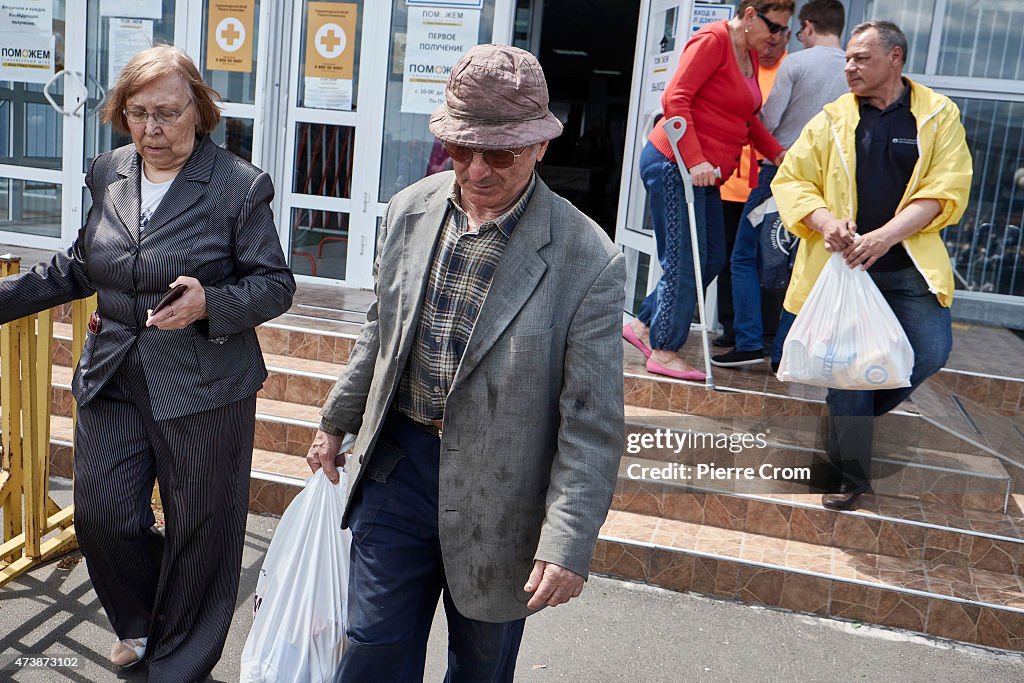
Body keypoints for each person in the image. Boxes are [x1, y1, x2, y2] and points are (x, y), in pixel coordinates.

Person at [305, 44, 625, 682]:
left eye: (499, 153)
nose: (476, 171)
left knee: (481, 666)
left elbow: (591, 424)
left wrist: (567, 542)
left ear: (539, 146)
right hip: (399, 468)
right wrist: (335, 419)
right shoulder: (410, 211)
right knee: (369, 653)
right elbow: (382, 330)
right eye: (460, 150)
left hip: (504, 494)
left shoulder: (589, 259)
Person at [0, 46, 296, 679]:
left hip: (205, 381)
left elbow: (274, 284)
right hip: (112, 370)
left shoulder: (239, 186)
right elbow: (81, 265)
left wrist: (209, 301)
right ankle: (144, 616)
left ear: (200, 110)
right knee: (102, 513)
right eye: (137, 113)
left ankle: (178, 660)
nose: (152, 130)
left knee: (201, 528)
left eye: (167, 112)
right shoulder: (109, 172)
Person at [772, 21, 972, 510]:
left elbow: (946, 188)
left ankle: (846, 423)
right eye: (847, 59)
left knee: (930, 351)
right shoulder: (833, 117)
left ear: (895, 57)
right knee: (847, 372)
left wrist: (886, 237)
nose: (849, 67)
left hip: (907, 265)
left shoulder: (936, 115)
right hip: (844, 268)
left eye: (860, 58)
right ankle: (850, 476)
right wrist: (824, 223)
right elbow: (794, 181)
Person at [623, 0, 792, 380]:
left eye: (784, 30)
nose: (778, 38)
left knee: (712, 256)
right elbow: (675, 98)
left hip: (705, 174)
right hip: (676, 165)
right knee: (684, 262)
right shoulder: (713, 40)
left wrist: (778, 154)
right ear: (750, 15)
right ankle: (664, 350)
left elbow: (746, 119)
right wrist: (695, 159)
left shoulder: (747, 54)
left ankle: (643, 324)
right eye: (775, 27)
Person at [714, 0, 849, 370]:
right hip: (831, 183)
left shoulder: (796, 64)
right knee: (801, 265)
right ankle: (784, 352)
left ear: (806, 27)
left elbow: (767, 122)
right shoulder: (853, 69)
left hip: (783, 174)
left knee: (743, 257)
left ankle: (748, 341)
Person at [715, 31, 790, 349]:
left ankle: (767, 331)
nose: (770, 47)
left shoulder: (790, 69)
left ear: (789, 35)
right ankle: (731, 326)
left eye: (777, 39)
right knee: (728, 258)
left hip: (770, 182)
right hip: (732, 182)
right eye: (766, 40)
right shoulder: (742, 66)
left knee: (770, 257)